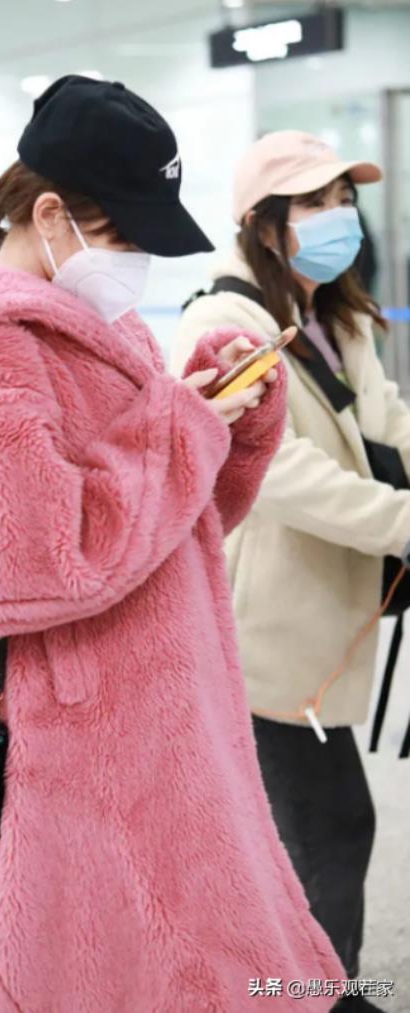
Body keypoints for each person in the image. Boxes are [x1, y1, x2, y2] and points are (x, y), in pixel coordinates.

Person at [0, 82, 346, 1011]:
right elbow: (24, 558)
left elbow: (178, 525)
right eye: (127, 234)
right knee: (122, 972)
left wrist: (226, 419)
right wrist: (179, 426)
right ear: (50, 214)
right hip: (82, 744)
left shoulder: (106, 327)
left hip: (162, 722)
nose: (136, 260)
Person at [172, 129, 410, 1012]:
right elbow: (275, 471)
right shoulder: (222, 326)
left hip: (322, 619)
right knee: (328, 826)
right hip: (262, 631)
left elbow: (386, 422)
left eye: (344, 198)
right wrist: (403, 521)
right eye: (313, 201)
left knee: (318, 828)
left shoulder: (336, 315)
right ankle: (317, 997)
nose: (338, 215)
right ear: (263, 222)